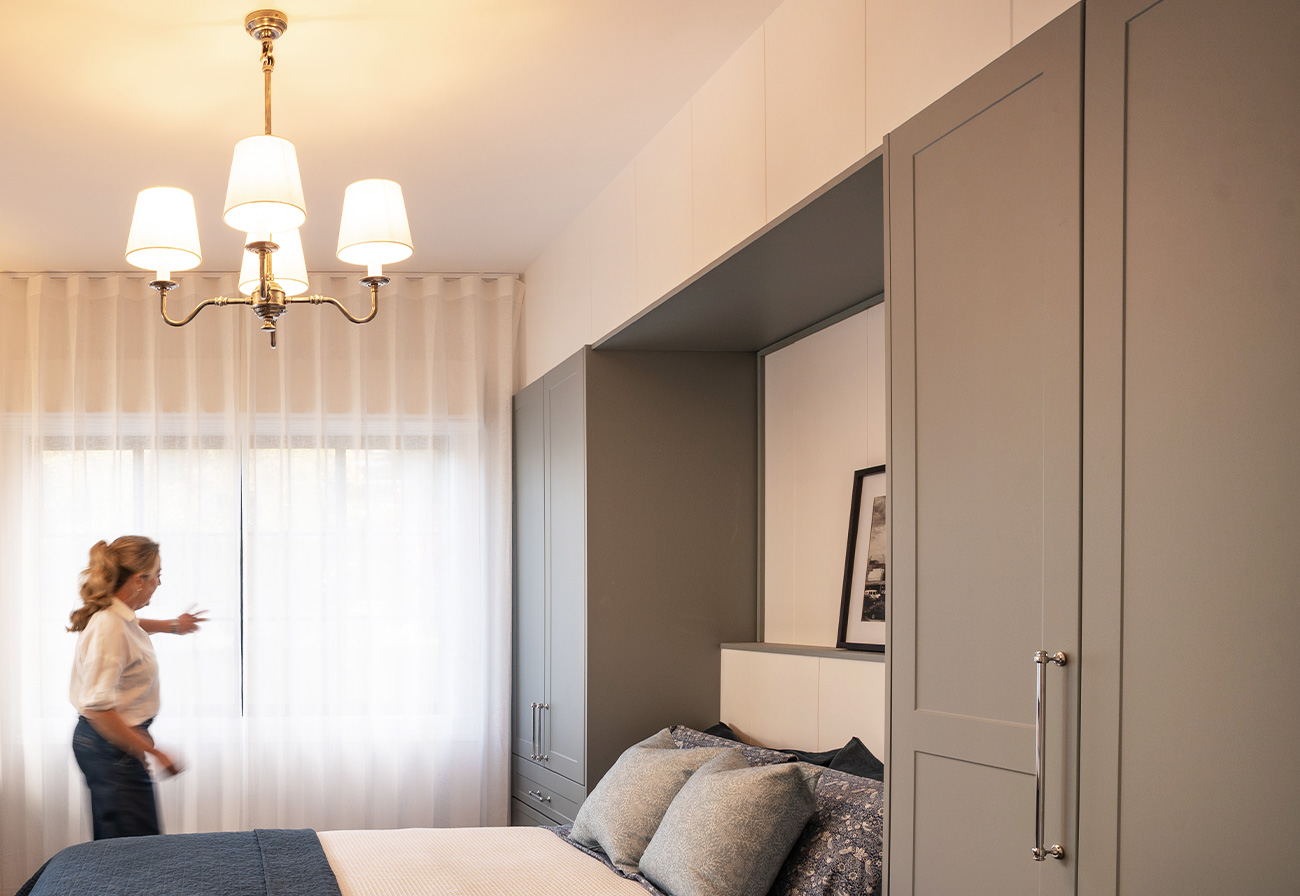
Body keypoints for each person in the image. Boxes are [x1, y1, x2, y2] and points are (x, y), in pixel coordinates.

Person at [67, 536, 208, 839]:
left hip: (113, 741)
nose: (159, 582)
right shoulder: (109, 626)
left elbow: (132, 624)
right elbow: (98, 709)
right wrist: (154, 751)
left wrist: (173, 625)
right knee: (133, 850)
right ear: (139, 580)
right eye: (157, 574)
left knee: (127, 843)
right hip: (108, 742)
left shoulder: (115, 615)